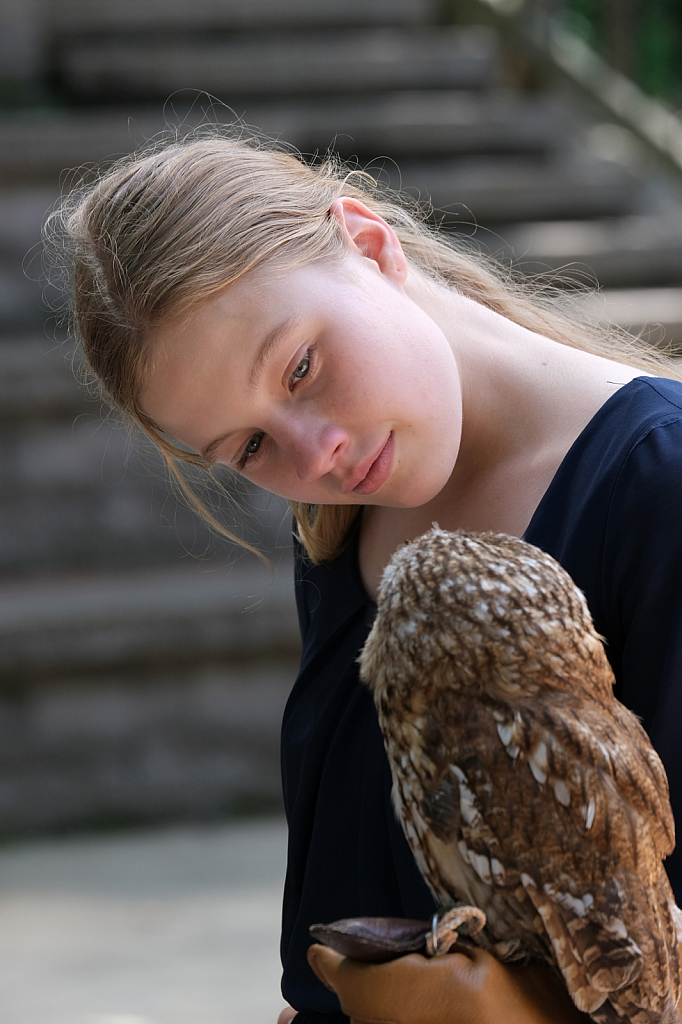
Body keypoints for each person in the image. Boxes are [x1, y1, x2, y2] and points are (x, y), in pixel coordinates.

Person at [54, 131, 682, 1024]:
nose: (319, 453)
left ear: (370, 243)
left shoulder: (659, 485)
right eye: (251, 447)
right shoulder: (342, 527)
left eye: (301, 367)